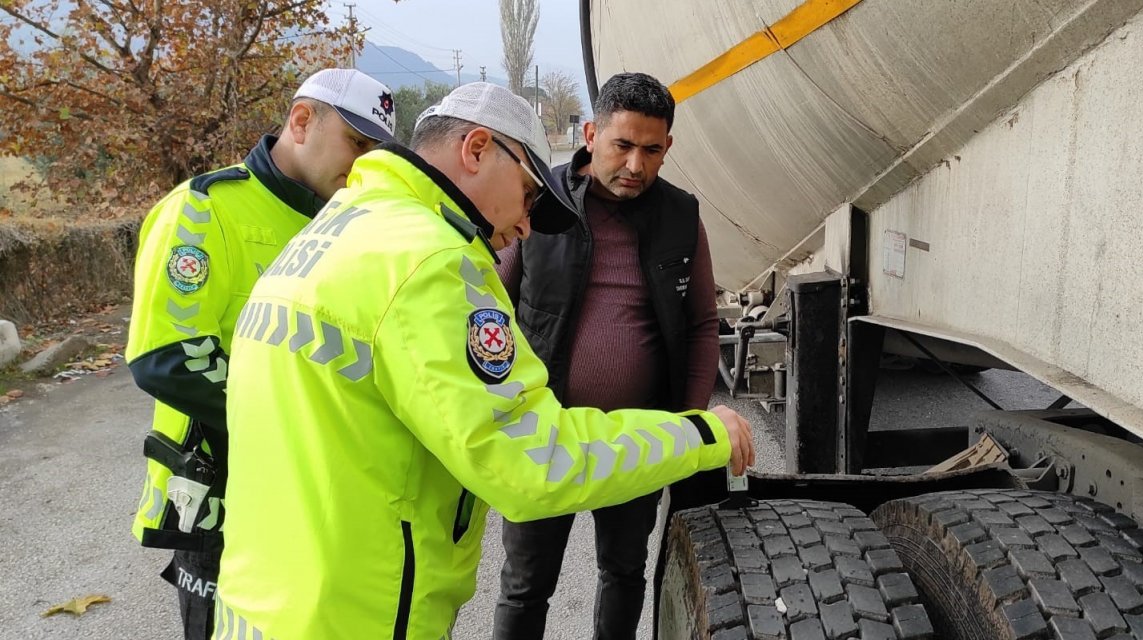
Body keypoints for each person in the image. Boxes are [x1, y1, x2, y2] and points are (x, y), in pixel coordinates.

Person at [210, 82, 755, 639]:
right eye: (525, 193)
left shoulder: (336, 228)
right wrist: (697, 434)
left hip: (265, 604)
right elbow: (531, 463)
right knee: (526, 586)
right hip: (357, 610)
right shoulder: (433, 262)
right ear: (475, 150)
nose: (523, 224)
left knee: (622, 572)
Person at [124, 68, 395, 639]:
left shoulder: (344, 224)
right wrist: (301, 419)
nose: (364, 164)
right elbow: (165, 355)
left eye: (377, 153)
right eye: (357, 144)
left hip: (308, 489)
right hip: (219, 489)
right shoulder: (201, 211)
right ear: (301, 121)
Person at [492, 72, 718, 639]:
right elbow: (491, 304)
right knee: (525, 586)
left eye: (652, 149)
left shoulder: (681, 217)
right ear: (591, 134)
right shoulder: (540, 208)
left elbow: (702, 326)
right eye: (623, 145)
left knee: (624, 573)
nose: (636, 165)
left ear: (668, 148)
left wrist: (688, 426)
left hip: (637, 437)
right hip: (546, 437)